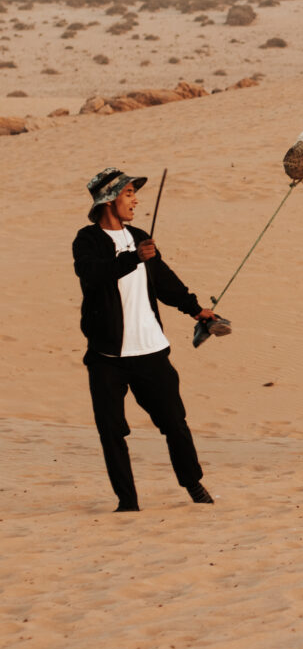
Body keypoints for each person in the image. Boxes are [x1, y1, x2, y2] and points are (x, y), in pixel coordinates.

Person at [73, 168, 218, 512]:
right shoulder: (87, 240)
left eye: (134, 193)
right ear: (109, 199)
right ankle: (127, 502)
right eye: (128, 194)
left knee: (175, 423)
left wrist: (197, 310)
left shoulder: (140, 236)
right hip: (107, 356)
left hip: (151, 352)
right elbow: (92, 275)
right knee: (112, 432)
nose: (136, 199)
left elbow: (165, 282)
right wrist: (132, 257)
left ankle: (193, 483)